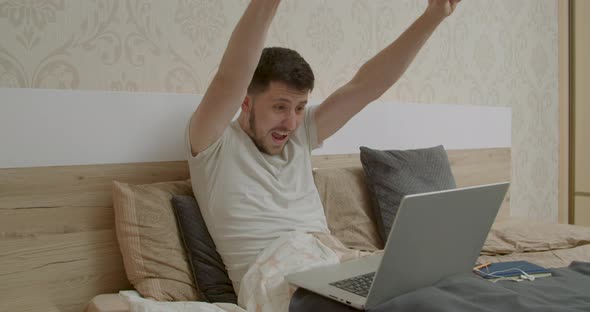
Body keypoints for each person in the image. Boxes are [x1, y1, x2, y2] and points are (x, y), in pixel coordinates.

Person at [186, 0, 461, 294]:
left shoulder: (301, 134)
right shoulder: (213, 143)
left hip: (332, 262)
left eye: (300, 107)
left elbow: (366, 86)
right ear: (245, 101)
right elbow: (229, 78)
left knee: (450, 287)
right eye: (280, 107)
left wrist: (433, 17)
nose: (290, 123)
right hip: (277, 281)